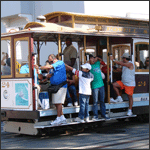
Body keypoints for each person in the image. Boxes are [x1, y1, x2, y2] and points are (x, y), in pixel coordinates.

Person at [34, 54, 67, 125]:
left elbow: (50, 66)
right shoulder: (53, 66)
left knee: (59, 102)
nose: (49, 61)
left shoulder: (60, 63)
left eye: (50, 60)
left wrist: (39, 67)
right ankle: (62, 117)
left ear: (52, 58)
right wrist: (45, 76)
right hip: (55, 86)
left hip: (61, 85)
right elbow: (49, 75)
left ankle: (58, 118)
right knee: (56, 102)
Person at [89, 54, 110, 120]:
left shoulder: (97, 63)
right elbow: (85, 64)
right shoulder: (89, 66)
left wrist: (97, 58)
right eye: (91, 58)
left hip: (101, 85)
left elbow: (103, 63)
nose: (93, 59)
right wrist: (89, 60)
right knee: (95, 102)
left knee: (102, 101)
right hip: (94, 86)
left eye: (93, 58)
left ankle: (103, 114)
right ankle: (95, 116)